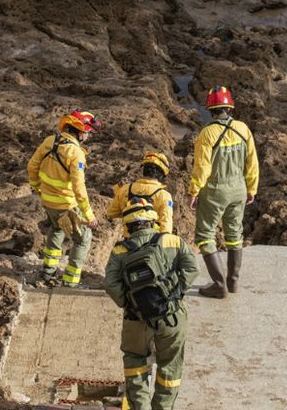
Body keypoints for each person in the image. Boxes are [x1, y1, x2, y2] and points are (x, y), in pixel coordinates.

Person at [104, 197, 198, 410]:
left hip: (136, 321)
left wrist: (130, 303)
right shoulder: (172, 241)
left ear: (127, 225)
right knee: (170, 367)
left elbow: (110, 284)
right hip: (171, 318)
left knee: (135, 363)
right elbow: (193, 269)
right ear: (153, 221)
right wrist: (174, 294)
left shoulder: (120, 250)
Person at [189, 85, 258, 299]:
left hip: (214, 191)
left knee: (205, 235)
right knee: (234, 234)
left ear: (210, 109)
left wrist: (194, 190)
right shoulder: (243, 129)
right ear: (230, 108)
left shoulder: (207, 133)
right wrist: (252, 188)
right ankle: (233, 281)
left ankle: (219, 285)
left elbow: (202, 167)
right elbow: (252, 162)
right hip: (239, 189)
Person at [26, 109, 100, 287]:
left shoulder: (49, 141)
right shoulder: (76, 153)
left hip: (48, 201)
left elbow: (31, 167)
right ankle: (70, 282)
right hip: (67, 205)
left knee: (56, 229)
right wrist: (89, 215)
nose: (88, 136)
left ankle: (47, 271)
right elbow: (79, 188)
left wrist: (39, 188)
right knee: (83, 240)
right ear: (79, 131)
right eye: (87, 132)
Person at [106, 151, 175, 234]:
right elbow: (166, 227)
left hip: (129, 243)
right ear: (162, 175)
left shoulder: (125, 189)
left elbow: (111, 213)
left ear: (144, 170)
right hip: (152, 243)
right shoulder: (164, 196)